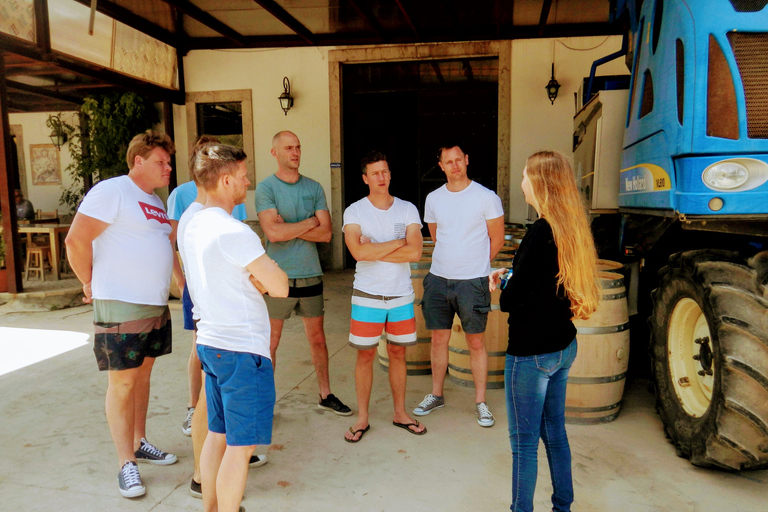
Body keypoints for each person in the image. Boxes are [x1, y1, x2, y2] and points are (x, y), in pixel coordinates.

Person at [65, 130, 178, 499]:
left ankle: (139, 441)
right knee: (123, 383)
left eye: (169, 161)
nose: (168, 167)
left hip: (154, 306)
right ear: (138, 160)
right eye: (161, 161)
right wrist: (89, 282)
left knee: (142, 378)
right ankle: (124, 463)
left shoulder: (155, 201)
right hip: (120, 305)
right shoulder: (112, 191)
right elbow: (76, 239)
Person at [489, 150, 599, 512]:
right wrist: (511, 276)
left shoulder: (539, 231)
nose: (521, 182)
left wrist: (503, 285)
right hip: (563, 345)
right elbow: (541, 283)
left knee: (523, 444)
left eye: (524, 175)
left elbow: (511, 301)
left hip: (532, 352)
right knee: (554, 433)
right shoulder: (569, 227)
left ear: (539, 183)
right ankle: (562, 507)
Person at [183, 144, 288, 512]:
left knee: (218, 435)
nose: (248, 181)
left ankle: (211, 507)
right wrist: (262, 274)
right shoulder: (234, 232)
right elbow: (280, 286)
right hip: (243, 350)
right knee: (241, 447)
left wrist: (255, 274)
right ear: (226, 181)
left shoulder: (192, 224)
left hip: (211, 345)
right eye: (243, 175)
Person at [255, 130, 351, 416]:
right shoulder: (266, 189)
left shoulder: (314, 187)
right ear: (275, 153)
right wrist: (309, 222)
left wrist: (291, 229)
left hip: (310, 274)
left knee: (318, 339)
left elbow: (326, 234)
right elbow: (272, 232)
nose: (295, 152)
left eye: (297, 147)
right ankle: (264, 401)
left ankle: (325, 393)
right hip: (276, 276)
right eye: (288, 148)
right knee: (271, 341)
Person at [413, 142, 505, 427]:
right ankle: (436, 394)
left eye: (458, 160)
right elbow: (436, 237)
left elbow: (497, 238)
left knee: (476, 341)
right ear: (440, 166)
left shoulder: (486, 197)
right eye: (447, 162)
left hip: (472, 283)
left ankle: (480, 402)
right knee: (438, 339)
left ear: (467, 159)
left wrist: (476, 265)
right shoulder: (434, 199)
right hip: (439, 279)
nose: (454, 166)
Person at [342, 151, 426, 442]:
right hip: (367, 295)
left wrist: (375, 249)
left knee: (397, 353)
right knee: (365, 355)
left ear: (390, 174)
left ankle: (400, 413)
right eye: (375, 173)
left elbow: (415, 252)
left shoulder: (407, 209)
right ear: (365, 178)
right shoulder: (354, 211)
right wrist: (398, 242)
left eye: (385, 171)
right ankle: (362, 418)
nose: (381, 177)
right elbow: (358, 253)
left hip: (401, 294)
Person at [167, 135, 248, 437]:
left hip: (225, 292)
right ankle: (194, 411)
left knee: (215, 372)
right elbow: (173, 241)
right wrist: (180, 277)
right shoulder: (189, 203)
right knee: (204, 360)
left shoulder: (227, 201)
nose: (246, 181)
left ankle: (221, 446)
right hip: (205, 292)